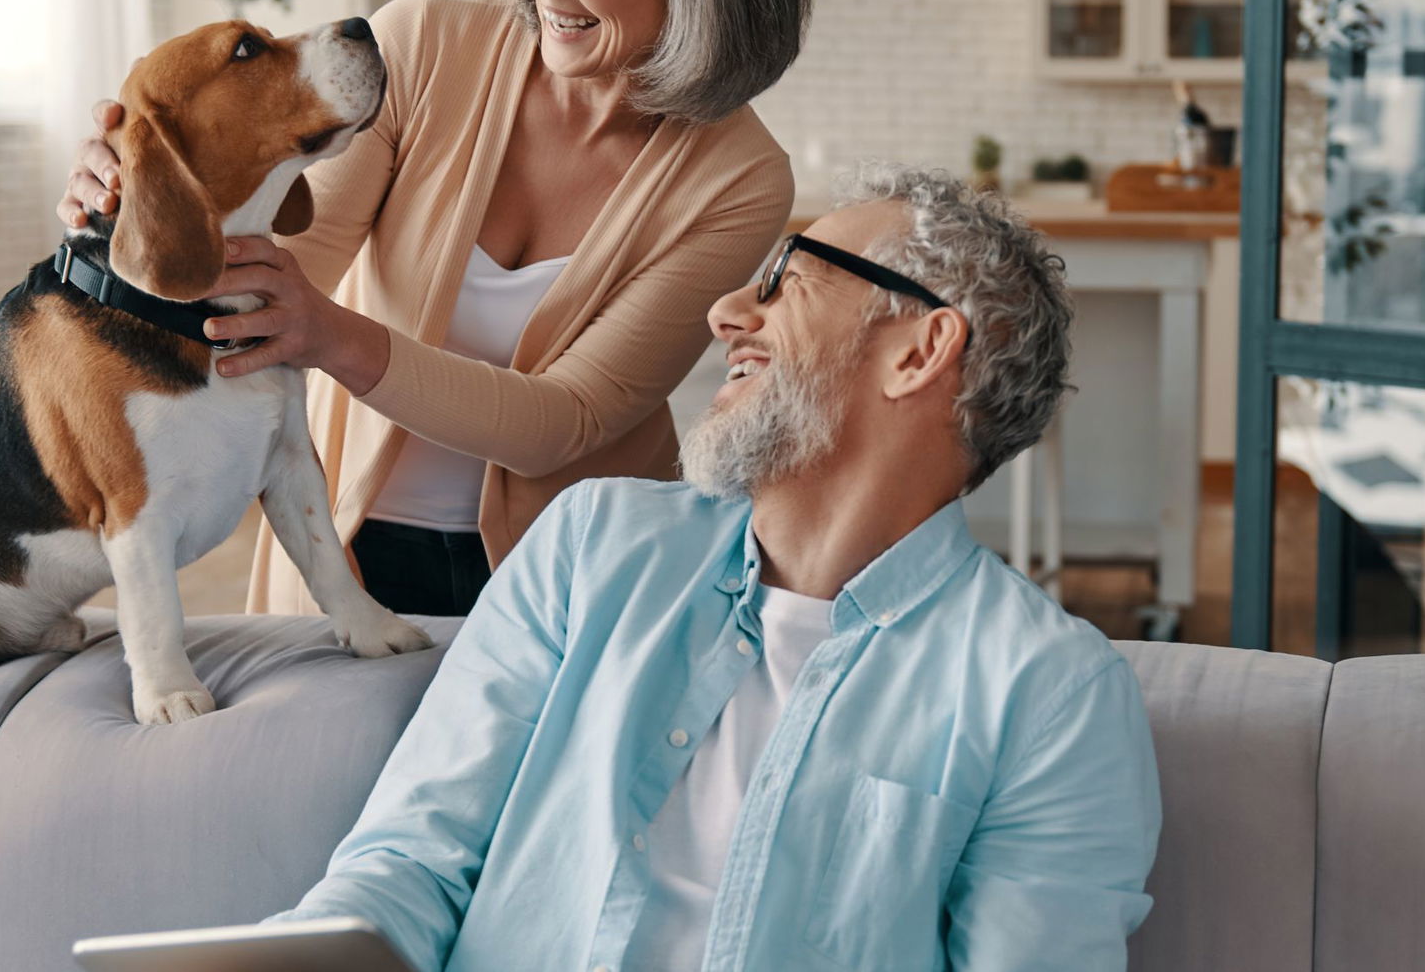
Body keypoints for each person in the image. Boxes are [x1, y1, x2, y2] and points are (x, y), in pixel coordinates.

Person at [268, 166, 1163, 971]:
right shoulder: (590, 545)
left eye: (785, 281)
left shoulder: (1050, 692)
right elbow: (411, 861)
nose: (728, 312)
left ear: (920, 351)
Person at [58, 0, 810, 617]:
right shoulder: (423, 42)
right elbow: (267, 268)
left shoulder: (740, 181)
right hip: (345, 542)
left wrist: (333, 335)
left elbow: (566, 420)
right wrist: (141, 191)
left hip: (574, 579)